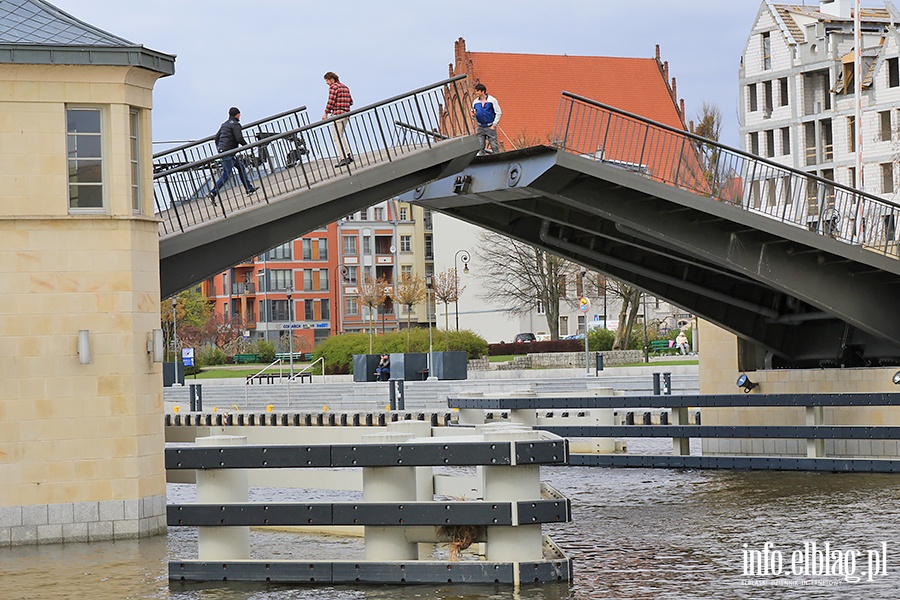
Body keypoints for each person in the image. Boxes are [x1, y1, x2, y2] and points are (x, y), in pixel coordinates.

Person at [208, 107, 257, 203]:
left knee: (241, 167)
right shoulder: (236, 125)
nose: (240, 116)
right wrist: (247, 146)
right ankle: (213, 192)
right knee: (227, 174)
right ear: (237, 114)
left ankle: (249, 188)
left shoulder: (224, 124)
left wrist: (220, 148)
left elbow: (216, 138)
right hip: (228, 152)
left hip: (226, 151)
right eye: (239, 114)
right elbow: (239, 138)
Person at [322, 72, 354, 167]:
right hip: (346, 114)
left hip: (337, 114)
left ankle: (343, 158)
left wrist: (326, 113)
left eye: (327, 80)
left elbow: (331, 101)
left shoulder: (333, 87)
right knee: (341, 135)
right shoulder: (345, 87)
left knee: (337, 137)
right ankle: (348, 155)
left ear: (331, 79)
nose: (327, 83)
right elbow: (351, 102)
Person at [471, 82, 502, 155]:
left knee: (494, 146)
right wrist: (473, 114)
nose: (476, 93)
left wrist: (494, 124)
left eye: (477, 91)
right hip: (480, 126)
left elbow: (499, 112)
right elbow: (474, 111)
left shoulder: (492, 100)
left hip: (490, 126)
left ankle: (497, 161)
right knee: (480, 146)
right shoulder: (475, 102)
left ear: (482, 91)